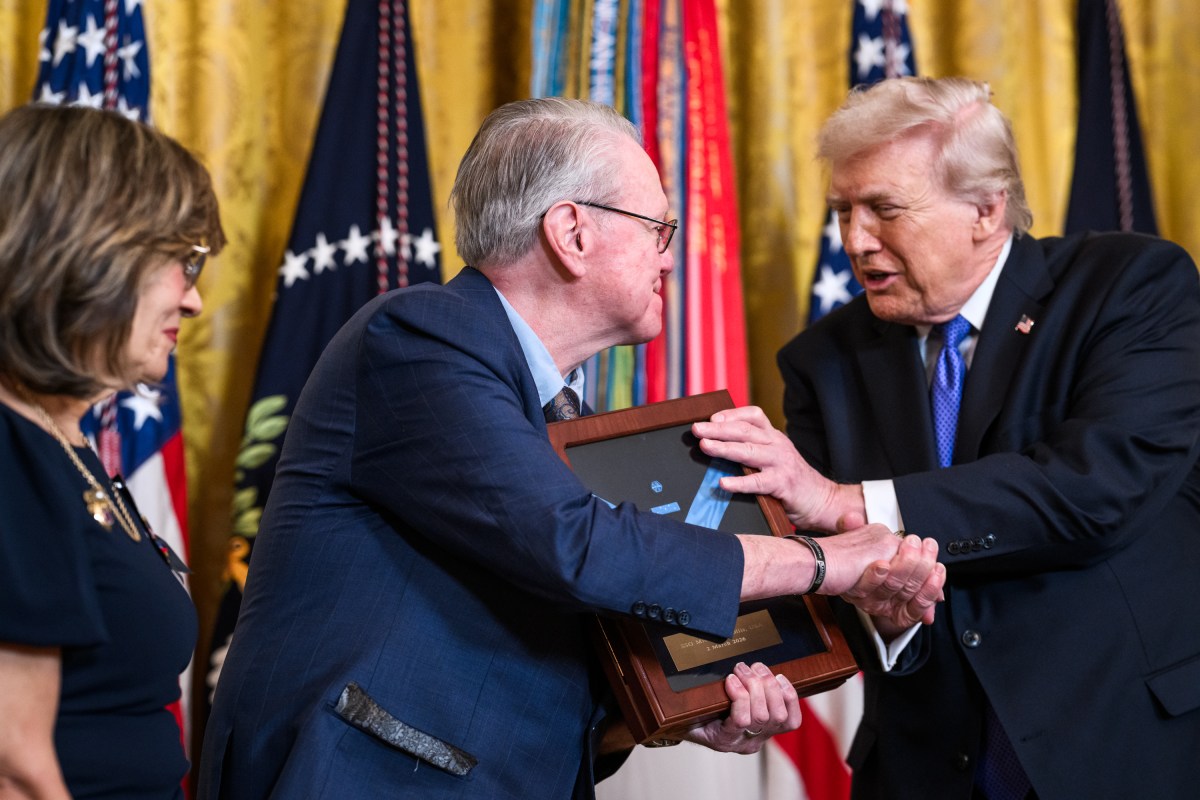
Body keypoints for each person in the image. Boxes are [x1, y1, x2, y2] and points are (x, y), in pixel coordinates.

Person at [198, 97, 939, 800]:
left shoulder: (567, 413)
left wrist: (686, 709)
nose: (669, 259)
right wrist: (823, 561)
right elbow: (573, 544)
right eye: (659, 230)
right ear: (572, 232)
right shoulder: (419, 337)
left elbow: (536, 643)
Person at [694, 76, 1200, 799]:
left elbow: (1097, 489)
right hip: (924, 767)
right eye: (842, 211)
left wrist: (846, 502)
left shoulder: (1130, 288)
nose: (854, 242)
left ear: (986, 210)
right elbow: (831, 581)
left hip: (1123, 752)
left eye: (884, 210)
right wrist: (882, 622)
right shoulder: (823, 361)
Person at [0, 104, 225, 798]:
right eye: (181, 265)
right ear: (94, 252)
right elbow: (14, 769)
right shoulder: (12, 453)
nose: (192, 301)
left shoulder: (59, 439)